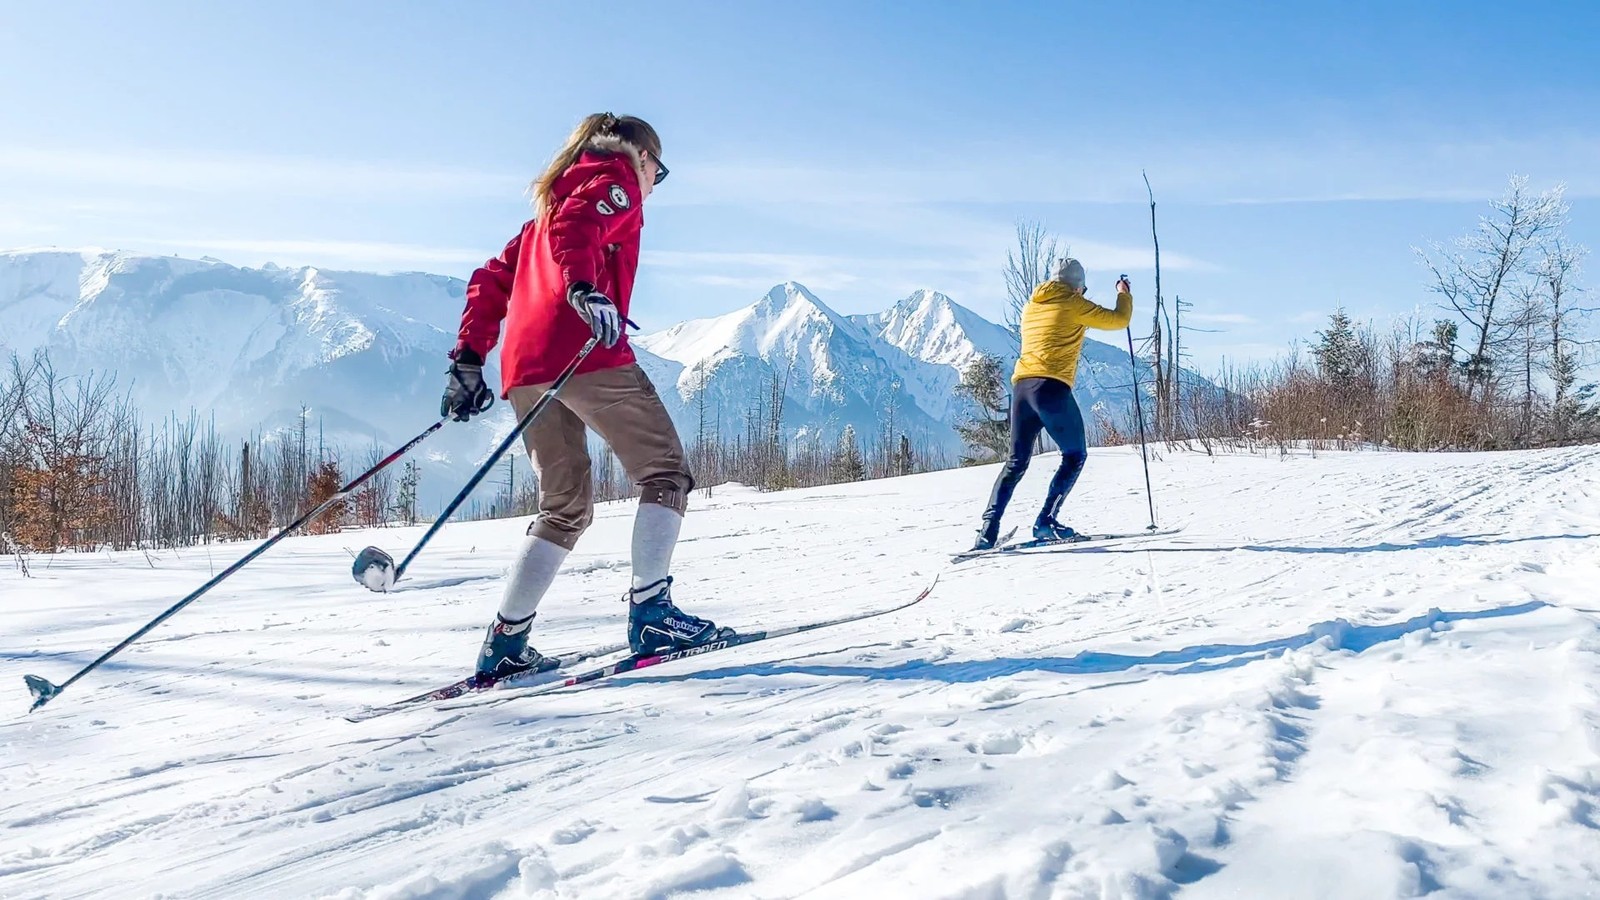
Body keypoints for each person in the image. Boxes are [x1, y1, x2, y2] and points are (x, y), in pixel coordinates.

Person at [443, 112, 729, 681]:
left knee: (564, 506)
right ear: (643, 157)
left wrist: (469, 359)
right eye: (660, 171)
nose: (654, 185)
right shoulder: (616, 180)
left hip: (524, 369)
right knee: (665, 474)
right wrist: (582, 290)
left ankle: (506, 642)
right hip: (582, 351)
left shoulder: (542, 215)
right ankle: (652, 614)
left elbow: (491, 279)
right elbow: (579, 231)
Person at [972, 259, 1133, 550]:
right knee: (1074, 454)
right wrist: (1123, 293)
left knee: (1016, 462)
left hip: (1021, 389)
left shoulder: (1032, 305)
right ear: (1076, 285)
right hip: (1051, 387)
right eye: (1082, 287)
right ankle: (1046, 521)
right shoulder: (1073, 303)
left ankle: (987, 531)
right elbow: (1120, 320)